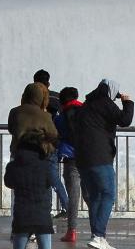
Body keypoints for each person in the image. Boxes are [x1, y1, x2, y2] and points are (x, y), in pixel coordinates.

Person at [70, 79, 134, 249]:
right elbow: (125, 120)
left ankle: (96, 237)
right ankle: (98, 235)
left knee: (96, 197)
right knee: (107, 195)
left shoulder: (86, 106)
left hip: (82, 160)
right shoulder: (104, 103)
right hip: (100, 158)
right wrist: (127, 102)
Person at [3, 127, 58, 249]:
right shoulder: (46, 165)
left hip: (22, 216)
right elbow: (51, 181)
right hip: (42, 216)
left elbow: (8, 183)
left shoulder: (13, 166)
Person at [32, 70, 68, 220]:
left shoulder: (32, 97)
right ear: (49, 82)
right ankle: (58, 208)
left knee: (47, 177)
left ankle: (63, 207)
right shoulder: (57, 97)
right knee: (52, 176)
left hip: (37, 143)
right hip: (53, 142)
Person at [53, 86, 84, 243]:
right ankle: (99, 232)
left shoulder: (60, 118)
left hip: (71, 158)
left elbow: (54, 134)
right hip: (88, 158)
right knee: (92, 195)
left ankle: (72, 231)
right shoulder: (87, 113)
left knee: (73, 196)